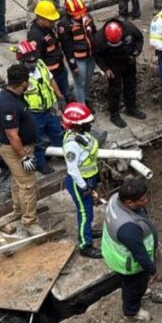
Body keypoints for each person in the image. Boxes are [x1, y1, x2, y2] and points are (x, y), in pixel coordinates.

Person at [0, 63, 44, 236]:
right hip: (16, 150)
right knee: (28, 184)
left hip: (19, 148)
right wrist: (25, 157)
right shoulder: (9, 105)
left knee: (18, 181)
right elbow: (12, 136)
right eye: (27, 80)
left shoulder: (12, 95)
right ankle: (30, 222)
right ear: (23, 82)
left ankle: (18, 210)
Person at [101, 178, 158, 320]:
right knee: (133, 286)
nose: (146, 201)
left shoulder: (115, 199)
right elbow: (139, 254)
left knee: (134, 284)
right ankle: (131, 311)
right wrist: (151, 270)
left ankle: (140, 291)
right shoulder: (128, 228)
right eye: (143, 200)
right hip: (127, 263)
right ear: (130, 202)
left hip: (113, 251)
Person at [14, 39, 64, 174]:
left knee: (57, 133)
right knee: (37, 141)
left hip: (49, 109)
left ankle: (61, 154)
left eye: (34, 60)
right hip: (34, 114)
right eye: (30, 62)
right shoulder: (18, 75)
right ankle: (41, 164)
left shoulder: (41, 64)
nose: (33, 63)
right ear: (22, 61)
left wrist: (59, 97)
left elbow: (51, 79)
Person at [62, 102, 101, 258]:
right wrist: (84, 187)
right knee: (84, 212)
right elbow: (73, 169)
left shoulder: (81, 135)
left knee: (89, 209)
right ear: (76, 125)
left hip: (89, 178)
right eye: (86, 123)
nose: (89, 124)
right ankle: (85, 245)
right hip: (80, 182)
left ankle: (88, 231)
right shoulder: (72, 144)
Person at [93, 18, 146, 128]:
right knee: (114, 89)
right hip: (113, 65)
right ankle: (114, 115)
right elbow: (97, 56)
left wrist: (136, 51)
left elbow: (139, 38)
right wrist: (106, 69)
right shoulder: (98, 38)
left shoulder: (129, 28)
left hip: (129, 60)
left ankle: (131, 108)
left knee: (130, 85)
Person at [27, 0, 70, 101]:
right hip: (50, 76)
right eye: (50, 20)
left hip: (60, 70)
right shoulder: (35, 36)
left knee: (66, 96)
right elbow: (38, 62)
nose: (53, 22)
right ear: (40, 18)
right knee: (55, 100)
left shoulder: (49, 28)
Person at [59, 0, 96, 105]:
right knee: (80, 83)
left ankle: (83, 99)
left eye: (82, 13)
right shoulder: (64, 25)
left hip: (91, 56)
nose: (80, 16)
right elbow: (67, 47)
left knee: (88, 81)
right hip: (78, 59)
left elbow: (94, 33)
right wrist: (73, 65)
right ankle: (82, 107)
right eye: (77, 15)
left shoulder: (88, 17)